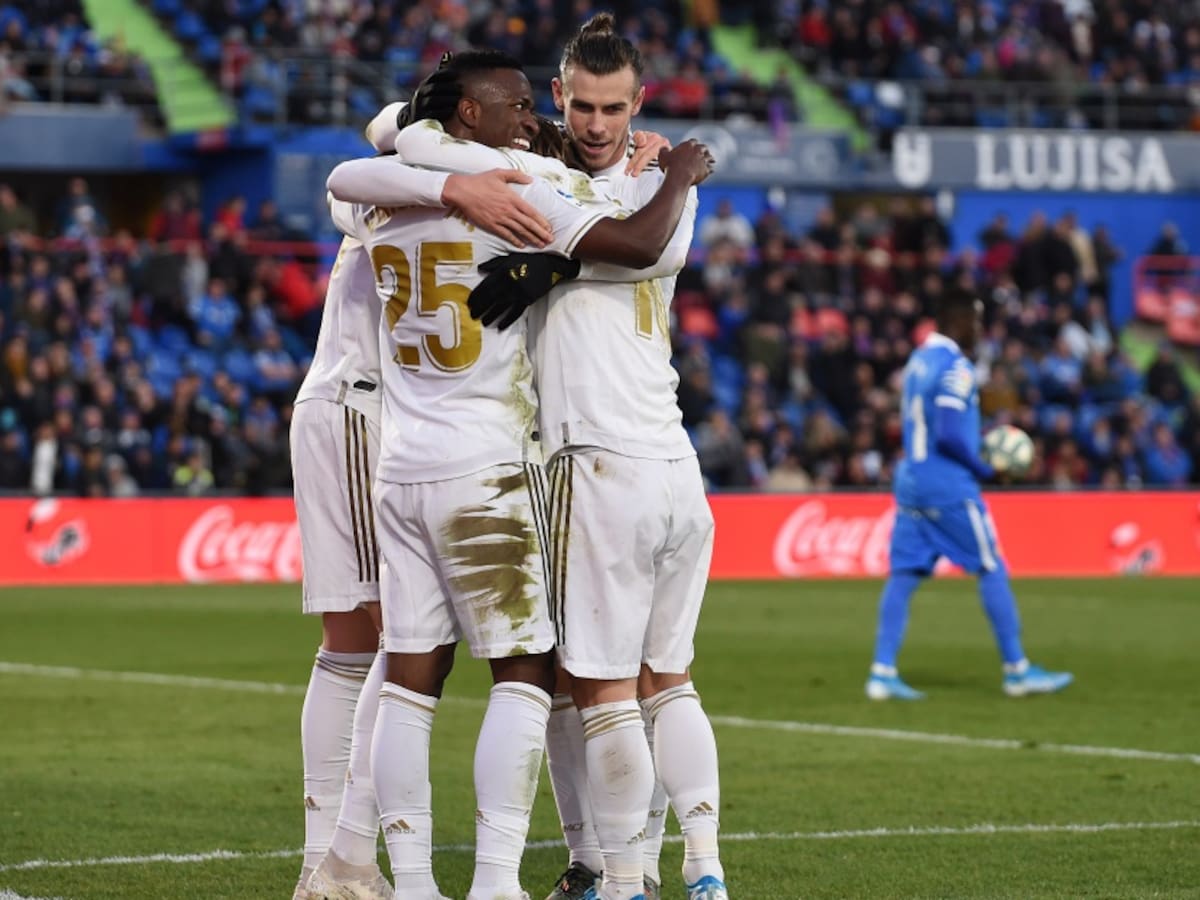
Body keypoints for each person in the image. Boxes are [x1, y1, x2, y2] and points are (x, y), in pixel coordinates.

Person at [321, 49, 712, 900]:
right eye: (519, 104)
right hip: (488, 465)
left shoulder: (386, 194)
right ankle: (500, 881)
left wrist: (437, 178)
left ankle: (411, 882)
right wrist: (676, 173)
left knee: (409, 679)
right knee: (532, 675)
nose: (532, 118)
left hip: (402, 466)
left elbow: (353, 166)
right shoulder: (516, 187)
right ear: (469, 114)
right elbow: (638, 243)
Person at [467, 17, 727, 900]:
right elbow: (639, 244)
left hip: (602, 462)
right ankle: (697, 868)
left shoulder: (565, 191)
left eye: (613, 108)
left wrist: (547, 267)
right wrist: (674, 169)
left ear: (637, 103)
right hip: (673, 469)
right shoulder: (657, 185)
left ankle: (621, 878)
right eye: (582, 104)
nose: (596, 123)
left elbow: (635, 250)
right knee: (664, 682)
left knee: (599, 685)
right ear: (559, 97)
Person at [291, 88, 562, 900]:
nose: (526, 125)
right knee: (381, 644)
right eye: (514, 110)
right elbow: (380, 141)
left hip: (364, 408)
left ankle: (336, 859)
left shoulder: (400, 180)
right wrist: (456, 172)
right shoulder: (410, 182)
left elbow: (377, 143)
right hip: (363, 404)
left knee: (365, 643)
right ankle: (335, 858)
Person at [865, 289, 1074, 701]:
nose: (980, 330)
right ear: (958, 322)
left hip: (910, 479)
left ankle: (882, 672)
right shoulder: (955, 366)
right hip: (946, 484)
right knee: (991, 565)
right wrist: (986, 469)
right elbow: (948, 434)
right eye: (976, 322)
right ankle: (1017, 670)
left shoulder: (918, 359)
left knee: (904, 574)